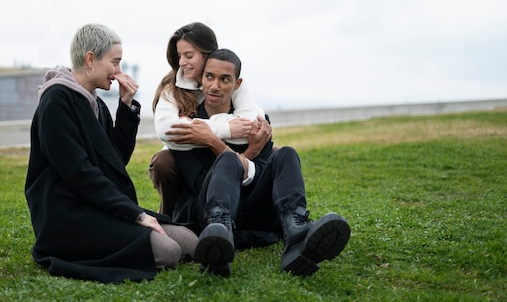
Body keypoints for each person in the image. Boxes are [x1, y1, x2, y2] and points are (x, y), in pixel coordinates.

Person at [24, 23, 197, 283]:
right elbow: (79, 173)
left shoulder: (94, 103)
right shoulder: (56, 101)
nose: (119, 71)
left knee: (190, 241)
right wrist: (134, 213)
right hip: (68, 215)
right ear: (91, 59)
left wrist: (125, 106)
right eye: (115, 62)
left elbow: (115, 161)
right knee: (169, 251)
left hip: (98, 206)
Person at [165, 48, 351, 277]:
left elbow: (263, 172)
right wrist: (221, 146)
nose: (215, 86)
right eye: (209, 76)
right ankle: (218, 240)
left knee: (286, 153)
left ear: (237, 83)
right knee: (227, 160)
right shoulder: (188, 124)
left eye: (225, 79)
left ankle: (296, 233)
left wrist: (227, 146)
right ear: (201, 78)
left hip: (252, 208)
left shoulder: (256, 121)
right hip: (208, 213)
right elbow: (199, 182)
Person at [149, 22, 265, 217]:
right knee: (163, 161)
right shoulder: (172, 88)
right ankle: (169, 217)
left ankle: (256, 215)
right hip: (186, 157)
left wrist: (199, 129)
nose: (182, 62)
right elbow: (166, 130)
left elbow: (251, 124)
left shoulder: (231, 77)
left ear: (207, 53)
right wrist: (225, 129)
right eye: (179, 56)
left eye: (189, 55)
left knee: (275, 152)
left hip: (223, 153)